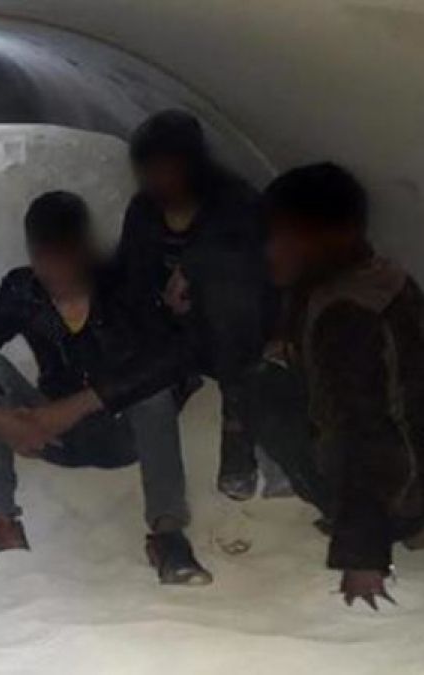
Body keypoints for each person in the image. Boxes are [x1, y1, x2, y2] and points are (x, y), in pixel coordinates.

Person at [0, 191, 211, 585]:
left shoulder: (124, 284)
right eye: (46, 262)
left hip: (123, 432)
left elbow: (172, 358)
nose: (57, 274)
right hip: (50, 435)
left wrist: (78, 405)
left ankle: (168, 537)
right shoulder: (22, 291)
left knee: (153, 387)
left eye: (66, 260)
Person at [253, 163, 424, 608]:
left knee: (263, 395)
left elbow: (363, 437)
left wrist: (363, 556)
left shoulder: (345, 318)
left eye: (279, 237)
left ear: (317, 241)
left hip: (411, 488)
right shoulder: (379, 276)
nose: (268, 249)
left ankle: (397, 525)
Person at [115, 110, 276, 501]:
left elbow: (257, 270)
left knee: (228, 303)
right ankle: (169, 382)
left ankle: (238, 439)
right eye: (150, 171)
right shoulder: (144, 211)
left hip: (235, 330)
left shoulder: (236, 203)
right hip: (175, 326)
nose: (158, 180)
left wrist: (194, 269)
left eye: (167, 170)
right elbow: (131, 276)